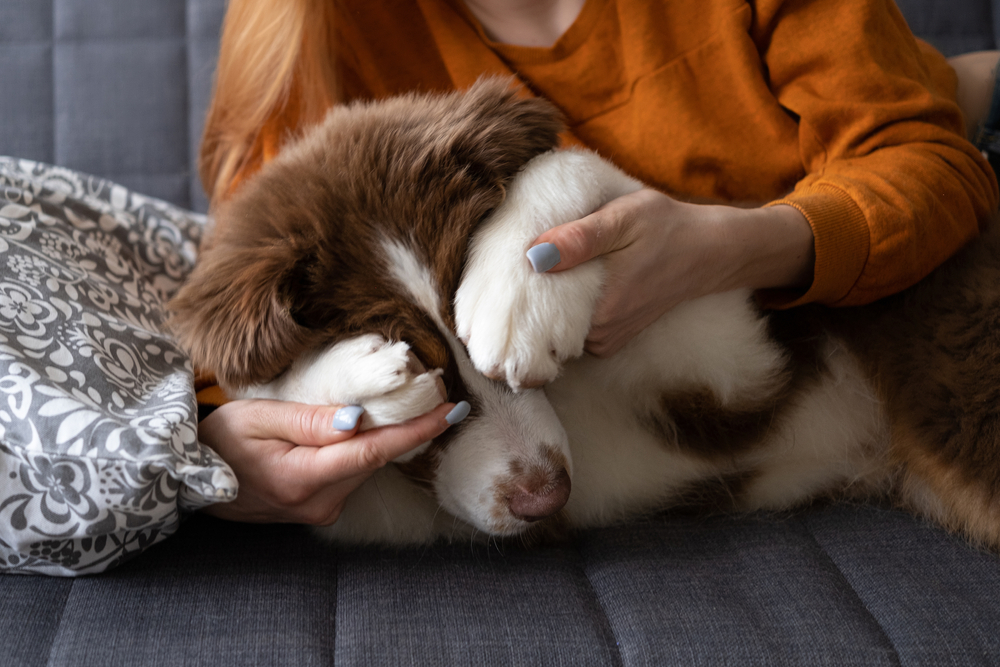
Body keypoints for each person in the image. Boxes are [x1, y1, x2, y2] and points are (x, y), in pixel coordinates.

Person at [195, 0, 1000, 525]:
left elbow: (926, 166)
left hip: (909, 226)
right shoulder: (311, 29)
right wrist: (226, 443)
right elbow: (243, 318)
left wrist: (723, 247)